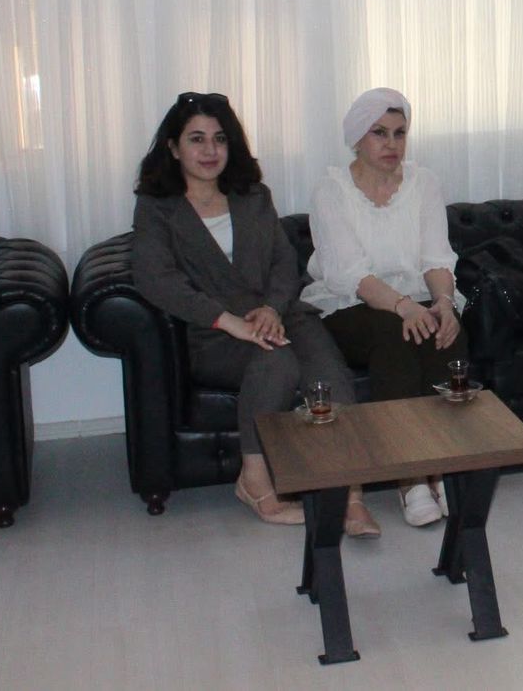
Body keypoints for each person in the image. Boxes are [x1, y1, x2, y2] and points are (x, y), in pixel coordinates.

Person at [132, 92, 379, 535]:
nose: (210, 150)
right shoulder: (157, 207)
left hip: (282, 313)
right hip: (213, 331)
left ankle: (349, 493)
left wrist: (272, 307)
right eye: (196, 139)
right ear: (173, 148)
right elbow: (156, 279)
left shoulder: (252, 195)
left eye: (220, 139)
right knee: (277, 363)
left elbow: (284, 261)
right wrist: (229, 321)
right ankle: (254, 481)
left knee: (327, 373)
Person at [301, 88, 465, 528]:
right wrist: (404, 306)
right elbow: (349, 274)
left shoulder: (424, 183)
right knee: (395, 333)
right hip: (350, 304)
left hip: (417, 297)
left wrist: (445, 304)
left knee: (446, 331)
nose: (392, 144)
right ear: (358, 138)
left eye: (400, 133)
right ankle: (409, 477)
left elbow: (436, 258)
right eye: (379, 133)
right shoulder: (331, 190)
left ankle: (444, 467)